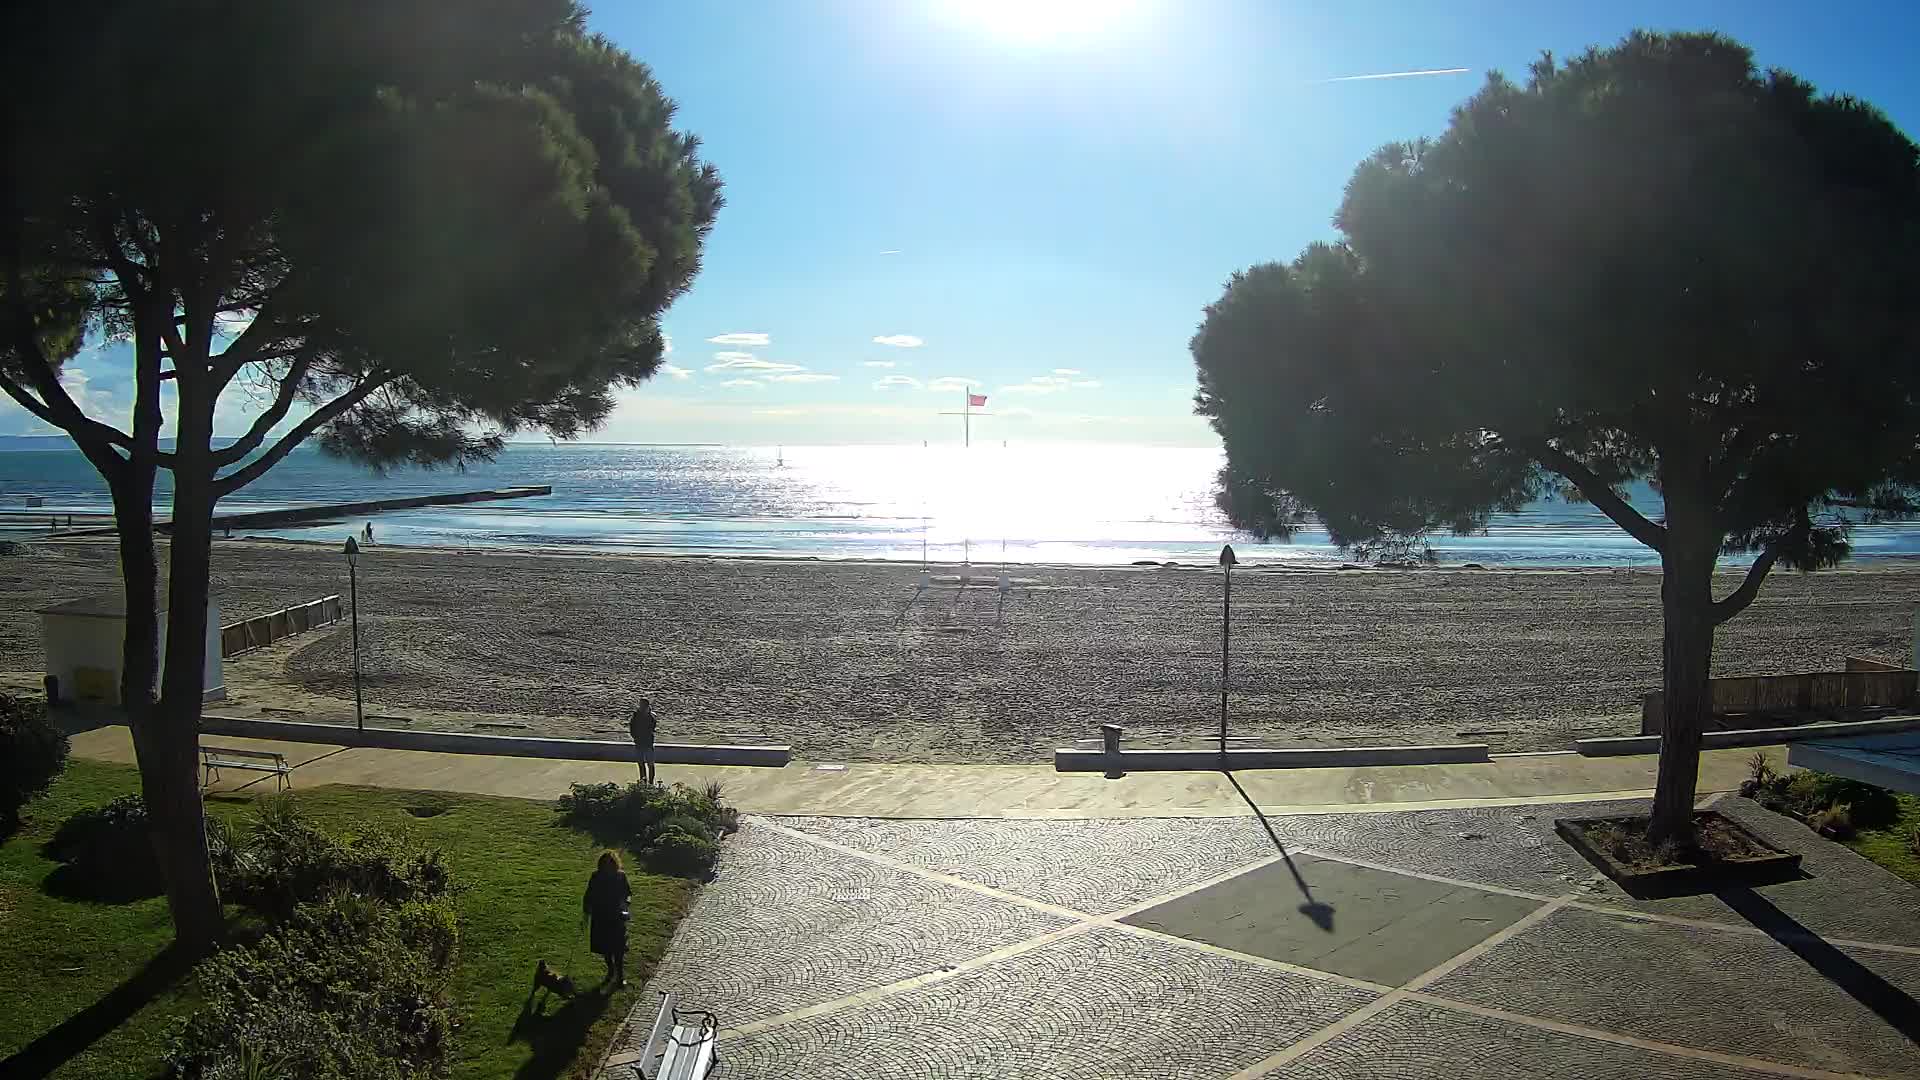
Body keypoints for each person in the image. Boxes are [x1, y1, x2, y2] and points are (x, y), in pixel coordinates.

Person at [582, 850, 631, 988]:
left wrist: (625, 905)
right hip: (601, 916)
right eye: (604, 864)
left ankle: (620, 976)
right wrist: (586, 909)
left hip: (616, 916)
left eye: (610, 864)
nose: (607, 867)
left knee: (619, 949)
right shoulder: (596, 876)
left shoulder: (620, 877)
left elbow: (628, 893)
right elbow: (589, 894)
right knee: (606, 948)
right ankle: (611, 970)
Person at [628, 698, 657, 784]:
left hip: (647, 743)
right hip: (640, 742)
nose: (641, 707)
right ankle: (643, 781)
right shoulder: (636, 716)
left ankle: (650, 782)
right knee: (641, 763)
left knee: (650, 764)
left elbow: (653, 726)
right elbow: (632, 728)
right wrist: (635, 737)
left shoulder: (650, 716)